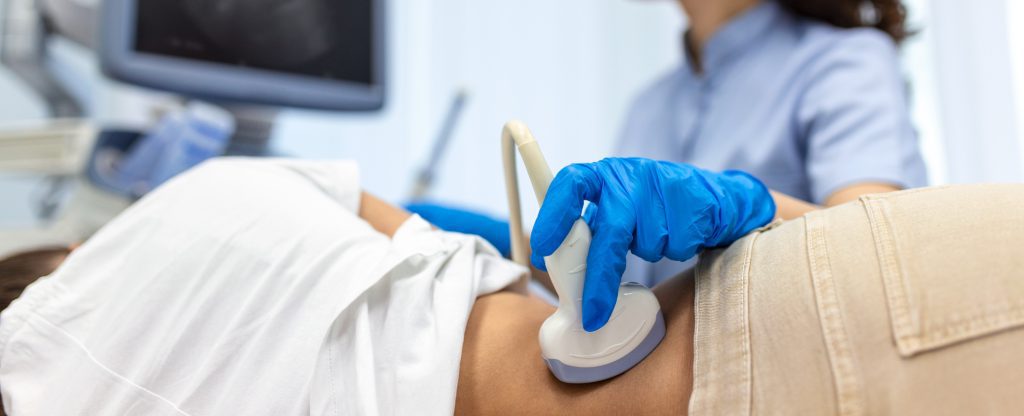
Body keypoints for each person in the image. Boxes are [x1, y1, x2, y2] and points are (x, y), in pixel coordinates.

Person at [2, 158, 1024, 415]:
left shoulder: (46, 348)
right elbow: (466, 242)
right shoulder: (215, 190)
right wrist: (761, 209)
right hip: (803, 301)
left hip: (797, 346)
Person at [410, 0, 926, 292]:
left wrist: (743, 208)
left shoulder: (847, 61)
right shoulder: (650, 103)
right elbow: (624, 289)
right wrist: (520, 248)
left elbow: (877, 250)